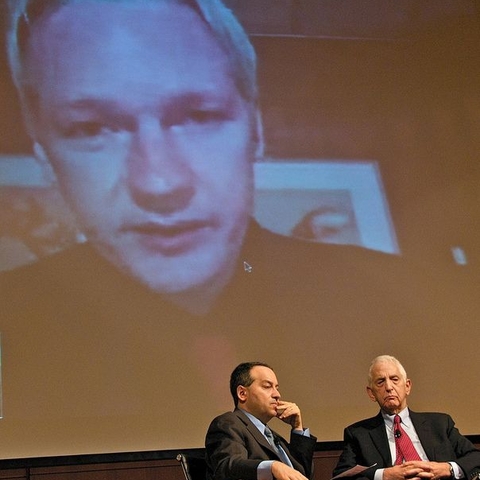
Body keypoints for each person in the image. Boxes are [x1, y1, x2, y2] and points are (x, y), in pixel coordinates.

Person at [333, 355, 480, 480]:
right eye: (380, 382)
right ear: (371, 393)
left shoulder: (440, 424)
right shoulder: (359, 434)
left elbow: (475, 457)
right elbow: (341, 476)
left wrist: (447, 468)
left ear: (407, 386)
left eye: (394, 379)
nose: (389, 387)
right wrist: (384, 475)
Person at [205, 362, 316, 480]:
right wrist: (272, 467)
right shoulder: (228, 423)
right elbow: (228, 467)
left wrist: (297, 428)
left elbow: (301, 474)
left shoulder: (273, 437)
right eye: (267, 387)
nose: (277, 395)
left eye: (277, 388)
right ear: (242, 393)